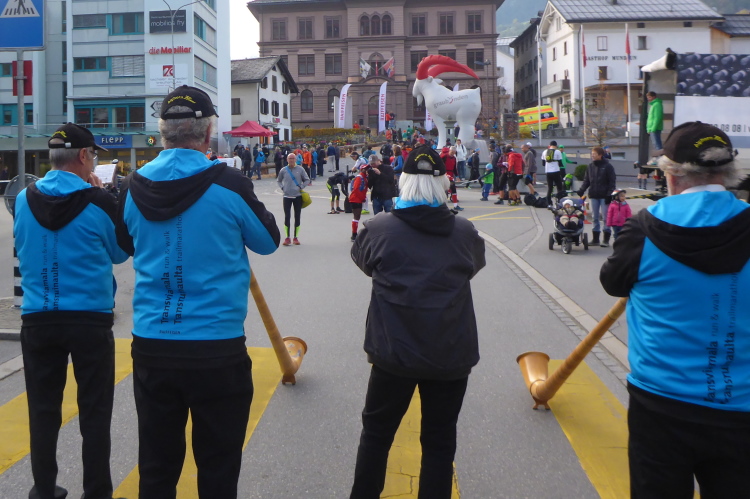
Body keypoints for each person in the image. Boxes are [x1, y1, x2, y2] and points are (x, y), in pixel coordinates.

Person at [115, 86, 280, 499]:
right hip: (215, 347)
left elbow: (123, 246)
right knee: (218, 469)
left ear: (162, 133)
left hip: (153, 342)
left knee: (156, 468)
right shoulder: (229, 184)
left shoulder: (132, 187)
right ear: (207, 133)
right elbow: (267, 242)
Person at [599, 121, 749, 499]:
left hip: (660, 404)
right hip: (741, 407)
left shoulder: (642, 230)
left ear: (670, 173)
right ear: (728, 170)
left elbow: (613, 283)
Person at [349, 144, 486, 499]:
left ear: (403, 182)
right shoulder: (464, 232)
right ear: (443, 184)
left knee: (376, 435)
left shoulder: (378, 228)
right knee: (440, 441)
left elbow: (363, 263)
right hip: (450, 353)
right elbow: (473, 266)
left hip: (392, 352)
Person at [14, 123, 128, 499]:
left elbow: (22, 244)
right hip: (89, 318)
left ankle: (44, 489)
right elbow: (120, 253)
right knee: (94, 412)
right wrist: (104, 197)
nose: (93, 162)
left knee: (42, 409)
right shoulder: (99, 201)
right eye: (93, 155)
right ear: (82, 156)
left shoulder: (24, 199)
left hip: (38, 316)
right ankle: (96, 491)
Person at [576, 146, 617, 247]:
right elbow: (587, 181)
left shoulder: (608, 166)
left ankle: (606, 239)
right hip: (594, 195)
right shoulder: (590, 166)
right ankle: (595, 239)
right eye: (592, 154)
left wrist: (609, 195)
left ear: (600, 155)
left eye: (594, 154)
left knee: (606, 217)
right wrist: (581, 190)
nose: (592, 156)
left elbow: (612, 182)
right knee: (595, 217)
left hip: (604, 196)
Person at [277, 152, 311, 245]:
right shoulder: (283, 170)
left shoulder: (300, 169)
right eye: (290, 158)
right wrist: (283, 188)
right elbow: (279, 180)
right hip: (286, 196)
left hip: (297, 196)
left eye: (293, 158)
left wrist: (301, 187)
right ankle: (287, 237)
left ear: (295, 159)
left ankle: (296, 237)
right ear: (287, 160)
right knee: (287, 217)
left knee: (297, 216)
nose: (291, 160)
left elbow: (307, 179)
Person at [349, 162, 369, 241]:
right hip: (355, 199)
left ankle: (354, 233)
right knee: (356, 216)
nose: (367, 170)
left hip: (358, 198)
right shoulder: (359, 177)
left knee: (357, 216)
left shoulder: (364, 177)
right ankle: (354, 234)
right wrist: (362, 197)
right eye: (365, 169)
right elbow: (356, 189)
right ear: (362, 169)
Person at [542, 140, 565, 208]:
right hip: (556, 171)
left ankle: (549, 203)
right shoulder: (557, 152)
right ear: (556, 146)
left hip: (548, 172)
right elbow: (560, 163)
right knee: (559, 187)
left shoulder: (544, 151)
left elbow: (543, 163)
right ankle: (559, 202)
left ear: (550, 145)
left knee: (550, 188)